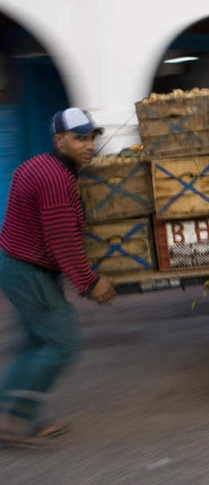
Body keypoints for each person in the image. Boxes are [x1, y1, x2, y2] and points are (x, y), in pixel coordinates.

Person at [0, 108, 116, 447]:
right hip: (27, 271)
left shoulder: (44, 165)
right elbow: (62, 240)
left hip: (19, 264)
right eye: (80, 138)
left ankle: (20, 417)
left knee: (37, 343)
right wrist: (91, 283)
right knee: (64, 342)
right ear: (59, 140)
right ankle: (13, 420)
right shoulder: (55, 179)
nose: (89, 145)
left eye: (92, 137)